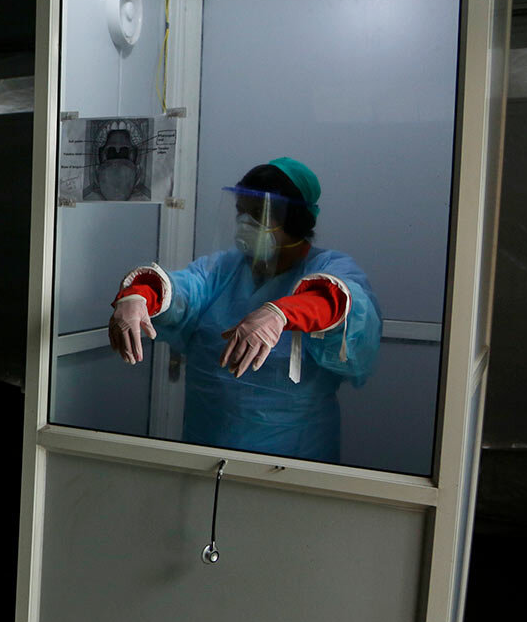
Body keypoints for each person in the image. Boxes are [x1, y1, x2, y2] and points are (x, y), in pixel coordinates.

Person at [107, 158, 381, 462]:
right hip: (206, 447)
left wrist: (282, 313)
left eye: (258, 215)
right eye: (241, 212)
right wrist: (139, 295)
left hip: (293, 459)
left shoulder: (328, 267)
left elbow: (343, 303)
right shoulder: (222, 268)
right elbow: (182, 289)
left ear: (295, 220)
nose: (245, 224)